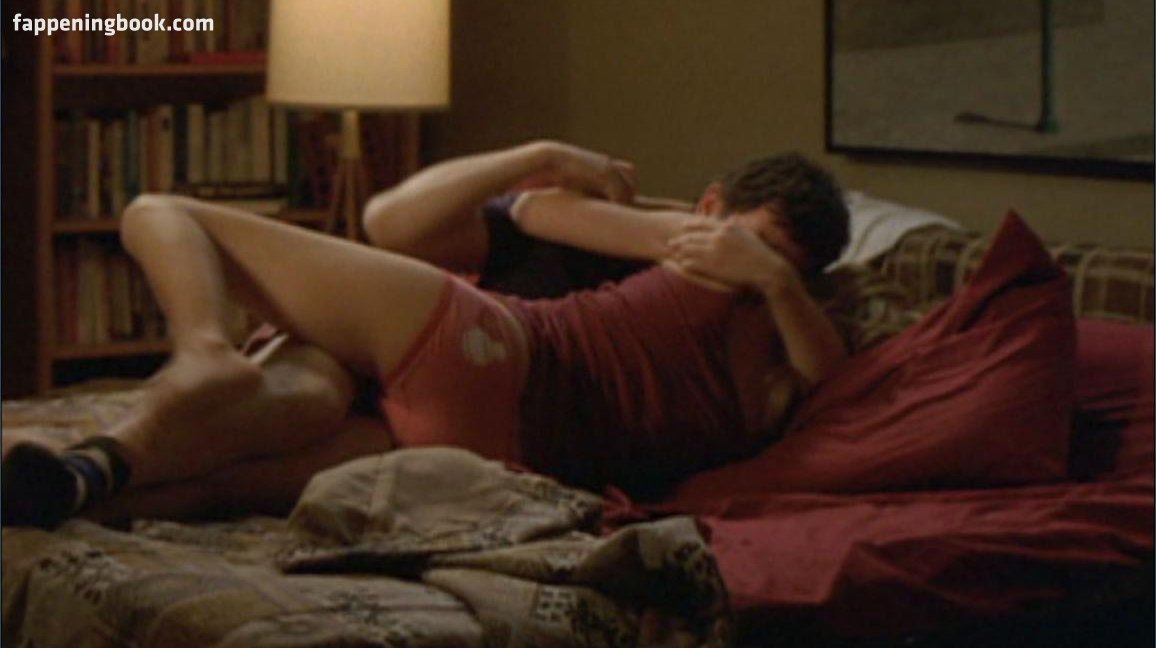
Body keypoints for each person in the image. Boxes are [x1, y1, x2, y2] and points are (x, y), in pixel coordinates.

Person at [1, 140, 849, 529]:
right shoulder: (774, 361)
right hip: (487, 449)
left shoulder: (703, 254)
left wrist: (742, 258)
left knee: (161, 210)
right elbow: (827, 376)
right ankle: (82, 481)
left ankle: (202, 352)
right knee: (228, 476)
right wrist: (779, 281)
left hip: (484, 348)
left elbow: (500, 210)